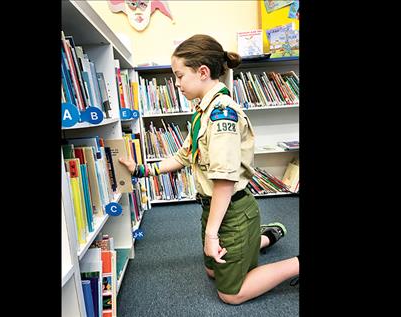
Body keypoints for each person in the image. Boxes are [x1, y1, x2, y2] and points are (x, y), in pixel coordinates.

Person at [119, 34, 299, 305]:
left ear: (202, 72)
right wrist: (141, 170)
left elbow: (225, 182)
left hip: (232, 210)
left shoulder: (221, 115)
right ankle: (263, 237)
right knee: (211, 270)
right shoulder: (202, 111)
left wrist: (211, 234)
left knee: (230, 293)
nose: (176, 83)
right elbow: (183, 157)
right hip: (216, 208)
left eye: (179, 76)